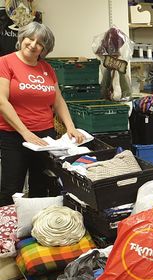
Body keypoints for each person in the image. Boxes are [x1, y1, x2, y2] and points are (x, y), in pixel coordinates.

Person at [0, 22, 84, 206]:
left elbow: (58, 99)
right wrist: (25, 132)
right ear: (22, 38)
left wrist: (70, 127)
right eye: (30, 38)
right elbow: (2, 101)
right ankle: (7, 231)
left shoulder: (47, 68)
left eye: (40, 43)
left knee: (41, 185)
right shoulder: (5, 62)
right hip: (14, 135)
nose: (33, 44)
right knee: (11, 188)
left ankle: (38, 228)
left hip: (45, 136)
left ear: (45, 49)